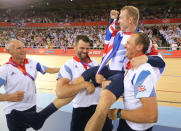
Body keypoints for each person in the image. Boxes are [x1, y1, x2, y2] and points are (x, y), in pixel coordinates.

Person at [83, 6, 165, 131]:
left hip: (120, 74)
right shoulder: (118, 34)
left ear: (131, 20)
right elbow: (108, 36)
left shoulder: (141, 39)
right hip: (109, 68)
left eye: (121, 18)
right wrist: (112, 20)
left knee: (102, 106)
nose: (118, 21)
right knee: (84, 76)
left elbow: (160, 61)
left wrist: (146, 59)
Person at [10, 35, 113, 131]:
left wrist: (103, 83)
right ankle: (40, 117)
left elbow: (104, 83)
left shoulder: (96, 63)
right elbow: (60, 92)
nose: (85, 51)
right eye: (82, 48)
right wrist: (84, 85)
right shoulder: (68, 65)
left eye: (87, 48)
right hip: (81, 110)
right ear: (74, 46)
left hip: (100, 107)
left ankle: (40, 117)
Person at [0, 39, 60, 131]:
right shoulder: (4, 70)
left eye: (24, 47)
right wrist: (8, 97)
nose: (23, 50)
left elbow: (49, 69)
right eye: (19, 48)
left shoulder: (33, 63)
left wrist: (64, 69)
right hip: (13, 112)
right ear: (9, 51)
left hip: (31, 108)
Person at [108, 32, 161, 131]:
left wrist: (118, 113)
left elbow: (151, 115)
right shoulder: (132, 67)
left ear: (139, 47)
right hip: (129, 122)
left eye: (128, 43)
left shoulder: (142, 72)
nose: (124, 45)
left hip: (135, 127)